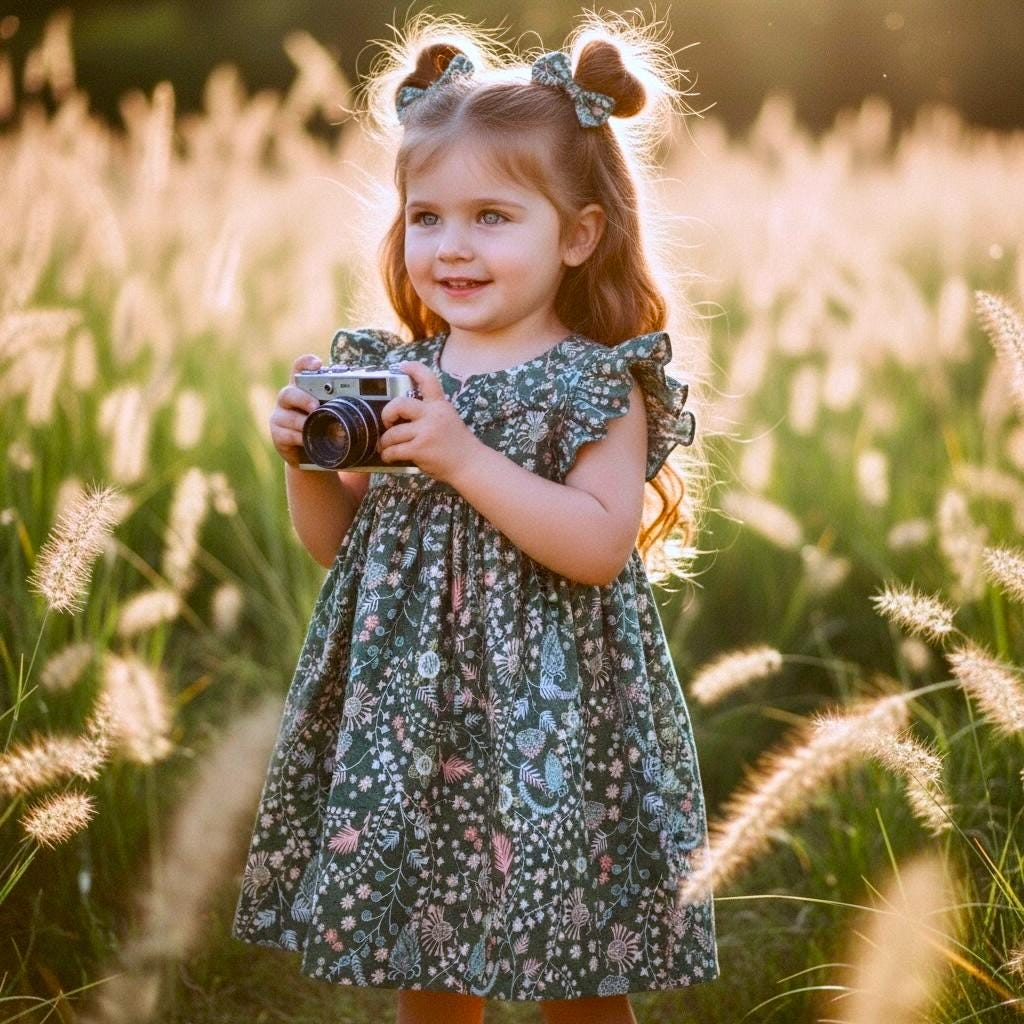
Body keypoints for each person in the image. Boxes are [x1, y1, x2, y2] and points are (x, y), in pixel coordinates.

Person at [232, 11, 719, 1023]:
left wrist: (459, 454)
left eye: (494, 217)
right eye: (427, 217)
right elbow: (340, 550)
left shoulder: (596, 382)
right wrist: (305, 465)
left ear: (578, 234)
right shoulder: (400, 371)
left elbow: (594, 546)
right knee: (431, 944)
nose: (452, 247)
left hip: (556, 721)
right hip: (415, 717)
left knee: (577, 964)